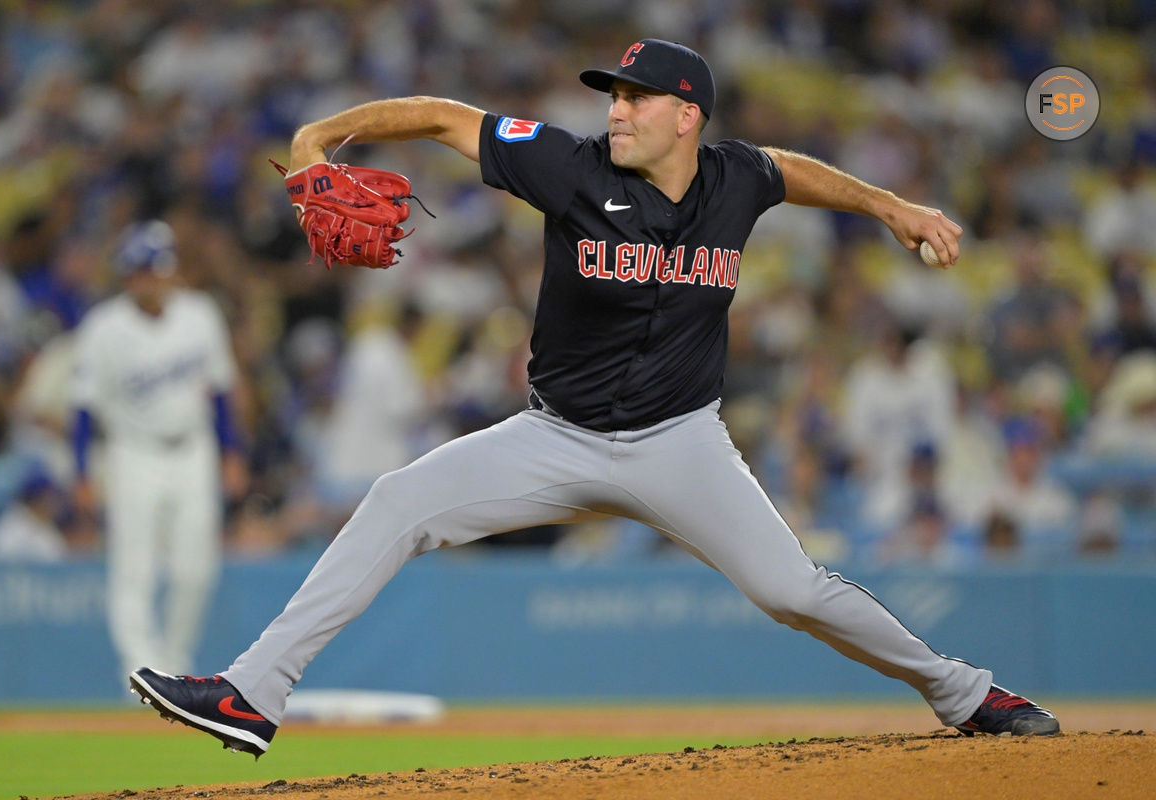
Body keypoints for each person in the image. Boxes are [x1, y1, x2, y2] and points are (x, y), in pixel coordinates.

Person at [129, 40, 1058, 757]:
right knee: (397, 500)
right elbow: (446, 117)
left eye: (634, 97)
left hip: (680, 442)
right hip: (555, 436)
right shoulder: (569, 167)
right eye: (611, 95)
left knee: (790, 589)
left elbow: (794, 169)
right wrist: (321, 138)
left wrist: (893, 207)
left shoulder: (737, 179)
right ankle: (255, 691)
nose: (615, 110)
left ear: (686, 115)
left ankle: (966, 694)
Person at [71, 220, 247, 686]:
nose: (151, 279)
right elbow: (85, 408)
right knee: (135, 570)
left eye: (157, 270)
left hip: (193, 450)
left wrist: (233, 452)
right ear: (128, 274)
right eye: (142, 271)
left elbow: (222, 390)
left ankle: (172, 665)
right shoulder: (103, 327)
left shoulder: (200, 313)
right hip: (133, 454)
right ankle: (141, 676)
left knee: (196, 570)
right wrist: (82, 473)